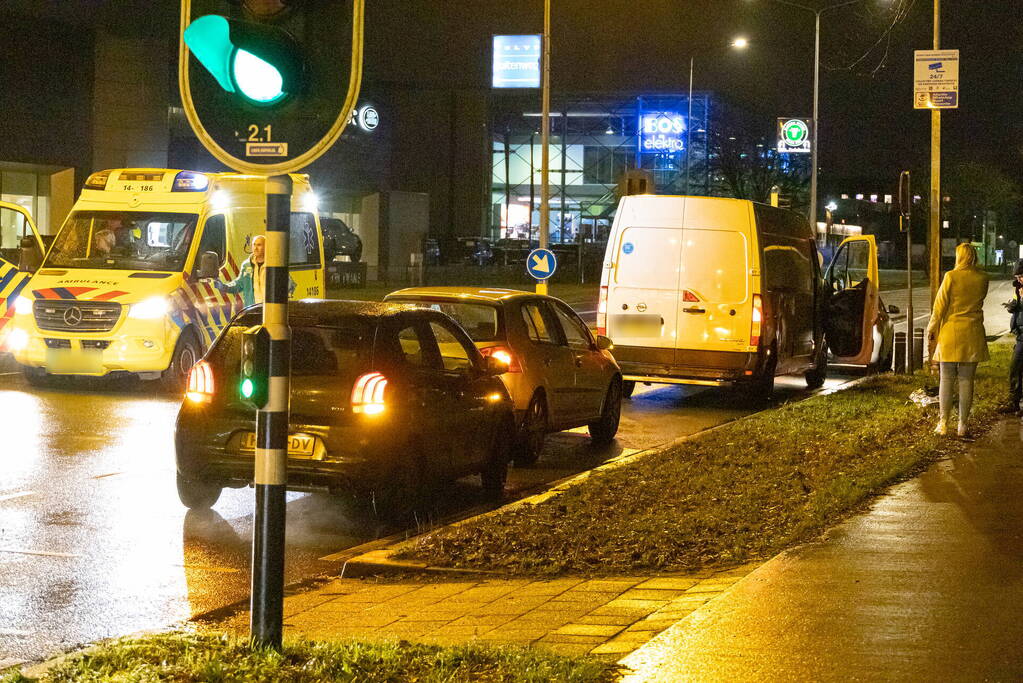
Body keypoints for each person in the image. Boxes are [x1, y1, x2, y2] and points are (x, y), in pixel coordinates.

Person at [926, 242, 989, 437]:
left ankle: (943, 423)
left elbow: (939, 307)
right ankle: (963, 425)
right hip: (973, 333)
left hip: (951, 332)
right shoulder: (983, 278)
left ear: (959, 257)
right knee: (966, 380)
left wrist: (932, 328)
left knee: (946, 379)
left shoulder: (951, 276)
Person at [217, 234, 266, 306]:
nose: (255, 248)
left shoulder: (273, 265)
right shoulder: (247, 265)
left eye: (259, 245)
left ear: (266, 247)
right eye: (254, 245)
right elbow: (239, 284)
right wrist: (224, 287)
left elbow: (285, 285)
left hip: (269, 309)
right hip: (252, 308)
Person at [1000, 259, 1023, 413]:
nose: (1019, 280)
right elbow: (1017, 305)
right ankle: (1013, 402)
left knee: (1016, 367)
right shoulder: (1019, 289)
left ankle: (1015, 402)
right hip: (1020, 334)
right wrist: (1012, 306)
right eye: (1017, 277)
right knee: (1015, 369)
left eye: (1021, 276)